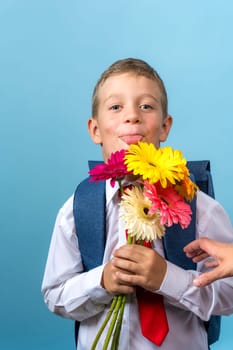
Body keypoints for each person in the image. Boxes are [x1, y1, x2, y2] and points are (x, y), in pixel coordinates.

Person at [42, 58, 233, 350]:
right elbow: (55, 295)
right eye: (116, 107)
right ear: (95, 130)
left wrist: (169, 279)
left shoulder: (200, 208)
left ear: (165, 126)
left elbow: (229, 294)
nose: (132, 116)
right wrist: (101, 282)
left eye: (146, 106)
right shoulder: (77, 210)